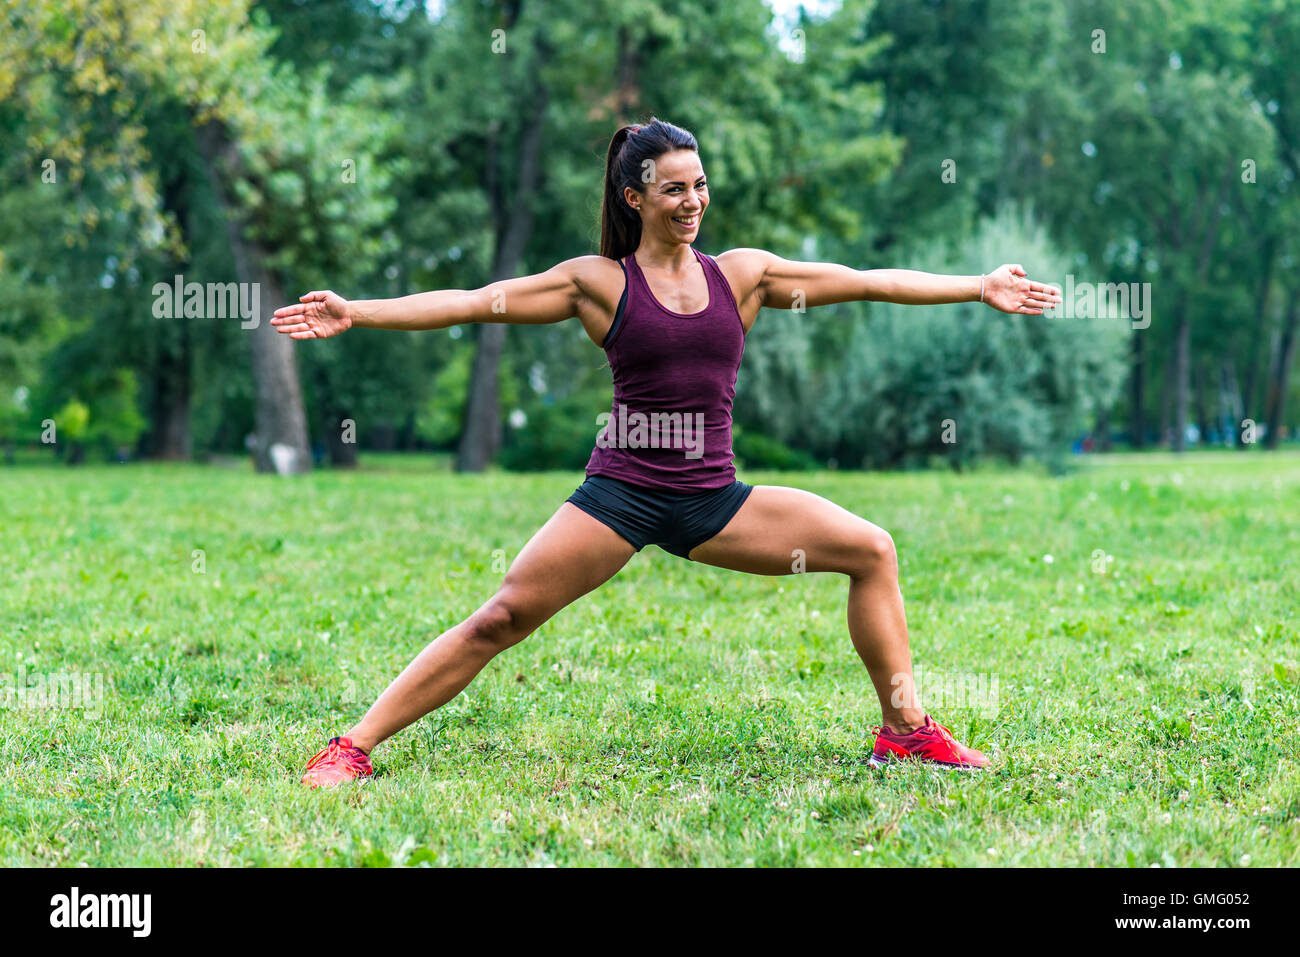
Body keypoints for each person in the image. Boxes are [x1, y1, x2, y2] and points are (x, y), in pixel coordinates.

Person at [273, 118, 1062, 786]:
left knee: (871, 549)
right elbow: (476, 303)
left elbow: (863, 281)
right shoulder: (598, 283)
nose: (693, 202)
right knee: (502, 616)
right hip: (619, 494)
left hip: (713, 500)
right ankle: (353, 746)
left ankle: (906, 729)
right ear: (635, 197)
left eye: (701, 185)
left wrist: (975, 283)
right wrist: (359, 311)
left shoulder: (744, 276)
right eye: (675, 189)